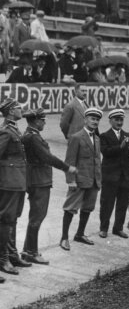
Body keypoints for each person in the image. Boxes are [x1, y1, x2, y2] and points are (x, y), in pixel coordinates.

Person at [21, 108, 76, 264]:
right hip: (39, 181)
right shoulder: (34, 138)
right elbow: (47, 157)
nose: (45, 122)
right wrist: (67, 167)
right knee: (37, 217)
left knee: (35, 216)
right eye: (43, 120)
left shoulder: (28, 135)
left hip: (33, 179)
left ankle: (27, 250)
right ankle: (31, 252)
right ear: (36, 121)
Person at [60, 107, 103, 251]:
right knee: (70, 208)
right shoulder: (76, 137)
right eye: (92, 118)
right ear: (85, 120)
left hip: (93, 180)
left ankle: (80, 234)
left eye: (97, 119)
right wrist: (70, 180)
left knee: (88, 208)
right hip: (79, 180)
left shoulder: (97, 138)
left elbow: (97, 160)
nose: (95, 121)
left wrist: (99, 179)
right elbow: (69, 161)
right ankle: (64, 237)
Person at [0, 99, 31, 278]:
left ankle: (11, 254)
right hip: (9, 182)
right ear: (11, 111)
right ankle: (3, 258)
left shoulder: (13, 129)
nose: (22, 110)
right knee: (6, 220)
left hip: (17, 181)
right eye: (19, 107)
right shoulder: (5, 131)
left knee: (13, 219)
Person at [98, 109, 129, 239]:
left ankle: (118, 228)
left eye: (121, 120)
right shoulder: (104, 136)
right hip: (110, 176)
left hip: (125, 175)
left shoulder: (128, 136)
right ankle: (103, 228)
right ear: (110, 121)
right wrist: (120, 147)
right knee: (107, 203)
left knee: (122, 203)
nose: (119, 122)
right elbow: (105, 152)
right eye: (117, 120)